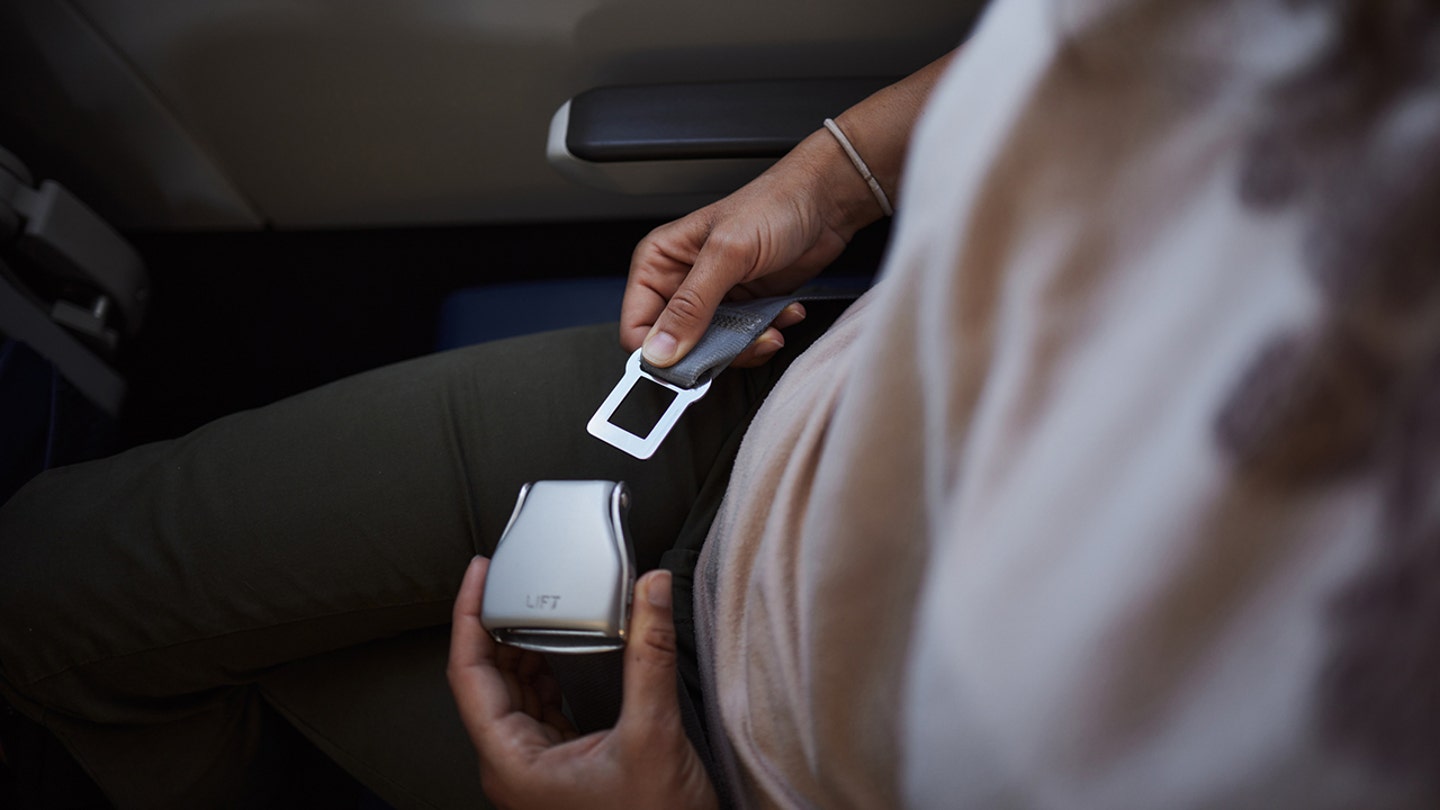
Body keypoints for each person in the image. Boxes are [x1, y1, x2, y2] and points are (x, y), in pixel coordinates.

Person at [6, 0, 1440, 807]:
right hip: (741, 425)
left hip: (721, 768)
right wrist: (836, 176)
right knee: (50, 585)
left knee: (174, 664)